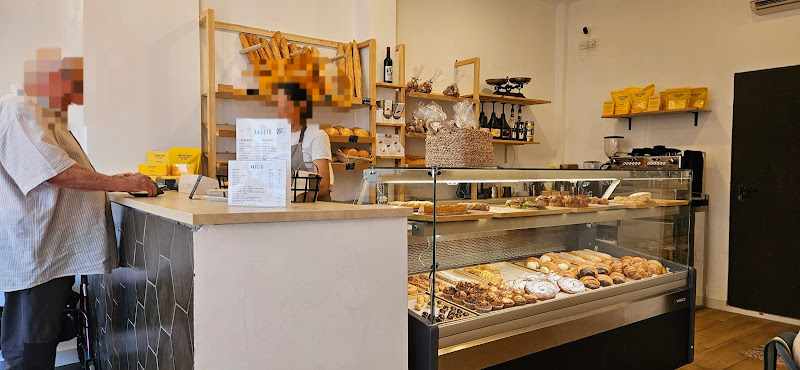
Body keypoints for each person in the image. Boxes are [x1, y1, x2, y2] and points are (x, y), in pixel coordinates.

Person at [0, 48, 156, 370]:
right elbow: (54, 172)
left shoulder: (40, 114)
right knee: (30, 341)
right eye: (70, 91)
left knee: (39, 335)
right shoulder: (20, 109)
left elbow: (62, 168)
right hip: (38, 250)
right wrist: (118, 182)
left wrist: (115, 179)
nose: (72, 101)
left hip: (50, 249)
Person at [274, 82, 333, 201]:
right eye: (279, 107)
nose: (282, 112)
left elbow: (323, 185)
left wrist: (294, 197)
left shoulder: (317, 135)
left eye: (286, 107)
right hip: (288, 204)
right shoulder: (278, 136)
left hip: (315, 206)